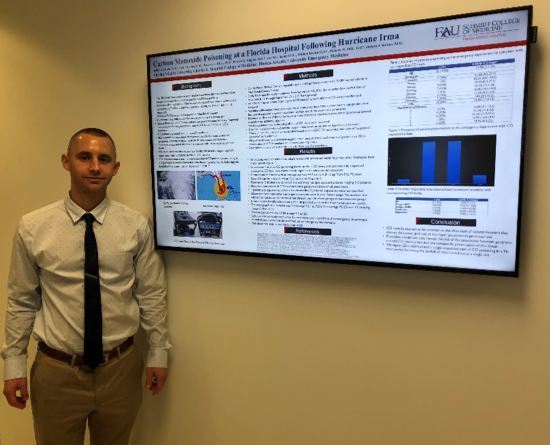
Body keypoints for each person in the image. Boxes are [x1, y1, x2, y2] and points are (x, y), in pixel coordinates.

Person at [1, 128, 170, 445]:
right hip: (57, 373)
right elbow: (21, 301)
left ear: (115, 168)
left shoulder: (136, 226)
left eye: (104, 159)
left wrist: (158, 352)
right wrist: (13, 365)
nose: (95, 167)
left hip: (120, 370)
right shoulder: (33, 228)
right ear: (66, 162)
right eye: (85, 157)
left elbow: (151, 293)